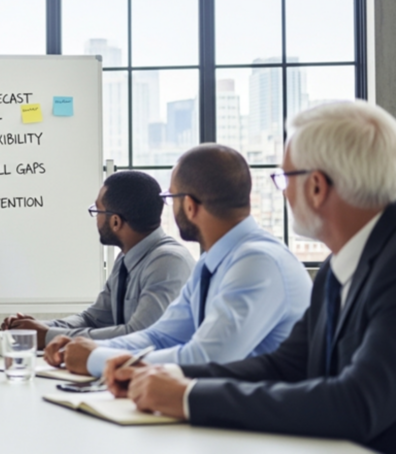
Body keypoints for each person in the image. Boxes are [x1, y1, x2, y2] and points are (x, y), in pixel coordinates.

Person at [104, 101, 396, 452]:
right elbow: (288, 364)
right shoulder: (339, 266)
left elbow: (357, 403)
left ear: (316, 187)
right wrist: (172, 377)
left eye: (285, 178)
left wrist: (190, 397)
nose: (283, 190)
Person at [45, 144, 312, 376]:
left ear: (189, 205)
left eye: (170, 197)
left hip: (263, 426)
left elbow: (206, 358)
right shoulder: (211, 262)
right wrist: (84, 347)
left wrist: (96, 359)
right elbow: (162, 335)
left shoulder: (257, 262)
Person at [1, 171, 194, 349]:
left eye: (98, 211)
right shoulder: (126, 258)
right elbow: (94, 318)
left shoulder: (168, 262)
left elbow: (139, 335)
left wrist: (49, 336)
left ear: (116, 221)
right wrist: (36, 327)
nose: (96, 219)